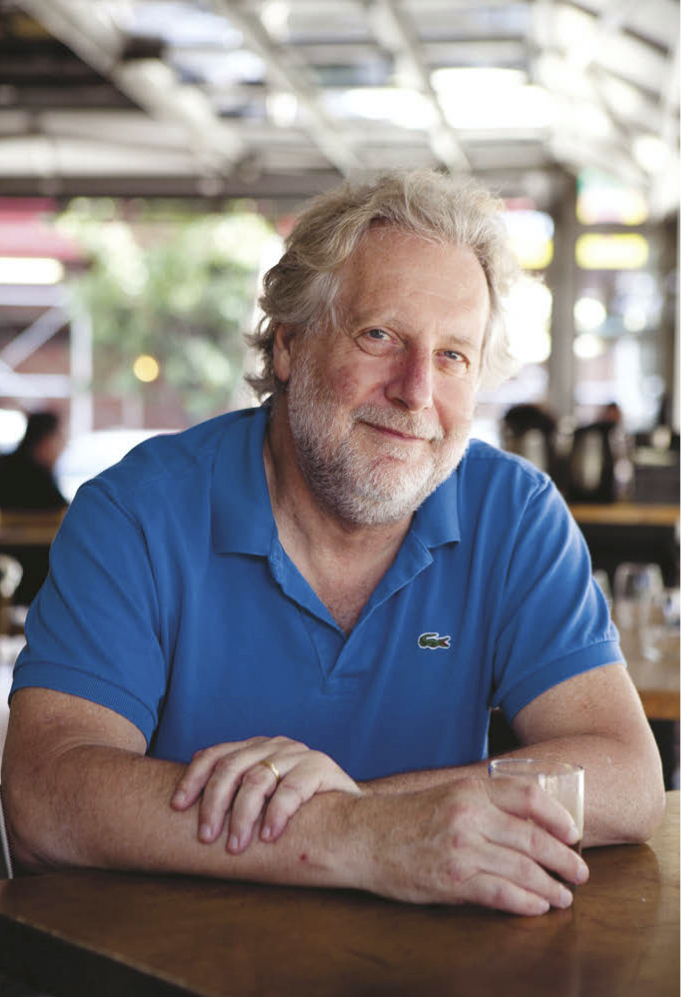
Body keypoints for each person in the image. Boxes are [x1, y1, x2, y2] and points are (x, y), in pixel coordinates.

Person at [2, 171, 664, 918]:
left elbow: (627, 782)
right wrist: (356, 836)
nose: (415, 391)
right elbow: (44, 797)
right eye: (379, 335)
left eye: (453, 356)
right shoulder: (136, 513)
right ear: (288, 345)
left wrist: (368, 811)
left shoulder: (511, 512)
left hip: (429, 977)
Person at [0, 410, 67, 604]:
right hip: (32, 578)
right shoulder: (40, 479)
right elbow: (66, 514)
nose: (62, 446)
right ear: (47, 440)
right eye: (60, 438)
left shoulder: (6, 466)